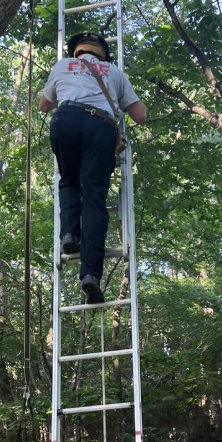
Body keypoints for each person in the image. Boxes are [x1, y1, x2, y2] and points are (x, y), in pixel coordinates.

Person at [39, 31, 147, 304]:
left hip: (66, 120)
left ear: (76, 52)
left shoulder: (62, 66)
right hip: (99, 126)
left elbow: (44, 106)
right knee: (94, 197)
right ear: (102, 53)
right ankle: (90, 275)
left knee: (69, 180)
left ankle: (68, 233)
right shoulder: (113, 71)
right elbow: (140, 116)